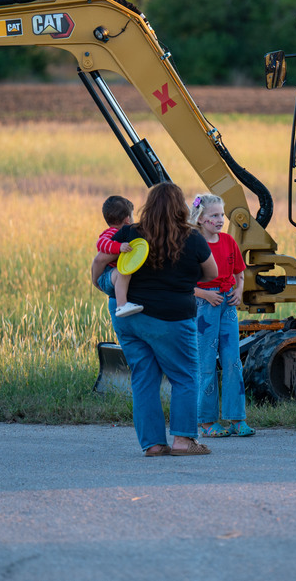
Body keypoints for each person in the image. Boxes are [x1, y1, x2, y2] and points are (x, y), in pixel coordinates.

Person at [92, 182, 219, 457]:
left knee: (144, 379)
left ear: (149, 206)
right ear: (180, 208)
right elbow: (212, 273)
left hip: (130, 318)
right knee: (184, 377)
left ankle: (152, 444)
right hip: (172, 319)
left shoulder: (131, 232)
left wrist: (98, 279)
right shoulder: (191, 238)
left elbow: (103, 258)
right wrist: (184, 275)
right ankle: (183, 441)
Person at [189, 193, 255, 438]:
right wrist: (205, 296)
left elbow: (239, 273)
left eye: (221, 215)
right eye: (214, 216)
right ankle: (206, 422)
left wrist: (239, 291)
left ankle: (237, 419)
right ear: (200, 218)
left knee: (233, 362)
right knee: (205, 363)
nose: (220, 220)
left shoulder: (228, 241)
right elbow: (183, 283)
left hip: (227, 305)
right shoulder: (193, 244)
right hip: (203, 306)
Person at [95, 195, 143, 318]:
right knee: (123, 272)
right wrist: (119, 247)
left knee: (123, 272)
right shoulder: (112, 232)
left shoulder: (122, 233)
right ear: (127, 219)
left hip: (112, 278)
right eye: (132, 216)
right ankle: (121, 305)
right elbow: (100, 243)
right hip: (107, 275)